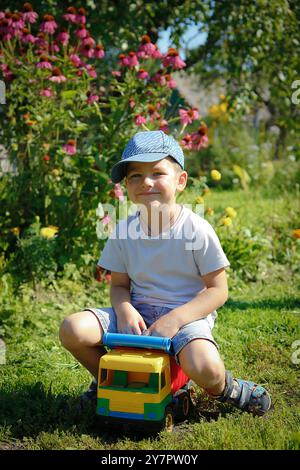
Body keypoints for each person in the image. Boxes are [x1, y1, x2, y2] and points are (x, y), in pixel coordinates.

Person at [59, 130, 271, 416]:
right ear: (126, 186)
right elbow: (120, 285)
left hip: (186, 317)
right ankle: (111, 382)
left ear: (180, 181)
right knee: (73, 329)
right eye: (135, 176)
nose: (146, 182)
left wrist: (175, 319)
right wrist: (124, 310)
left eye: (158, 173)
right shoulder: (123, 231)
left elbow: (218, 290)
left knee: (205, 367)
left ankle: (227, 388)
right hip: (138, 314)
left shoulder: (196, 230)